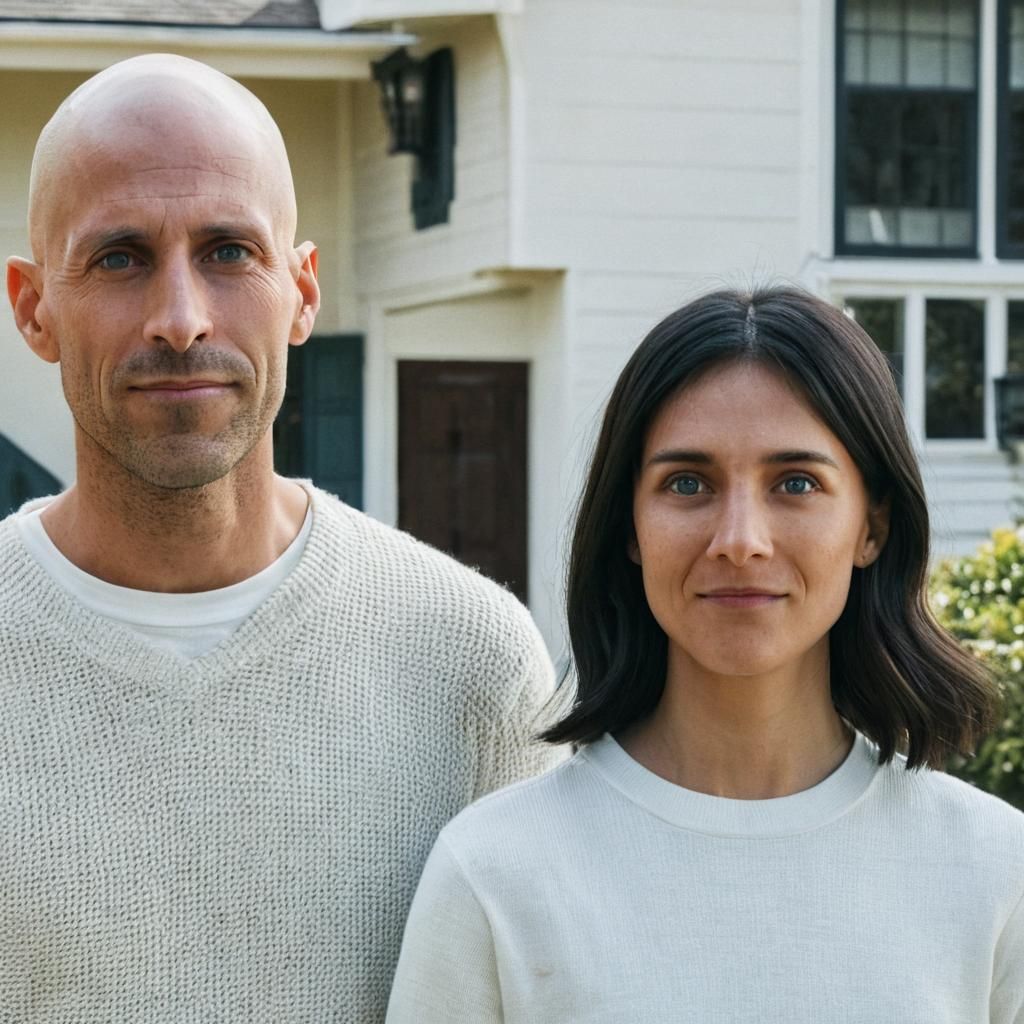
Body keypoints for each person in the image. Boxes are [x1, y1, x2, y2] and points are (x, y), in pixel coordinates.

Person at [0, 54, 560, 1022]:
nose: (180, 319)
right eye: (120, 256)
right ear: (32, 306)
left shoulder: (472, 665)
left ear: (303, 292)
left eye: (228, 252)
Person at [386, 286, 1024, 1023]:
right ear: (630, 524)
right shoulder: (494, 873)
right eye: (687, 483)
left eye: (796, 483)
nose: (740, 538)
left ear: (871, 527)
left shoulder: (992, 870)